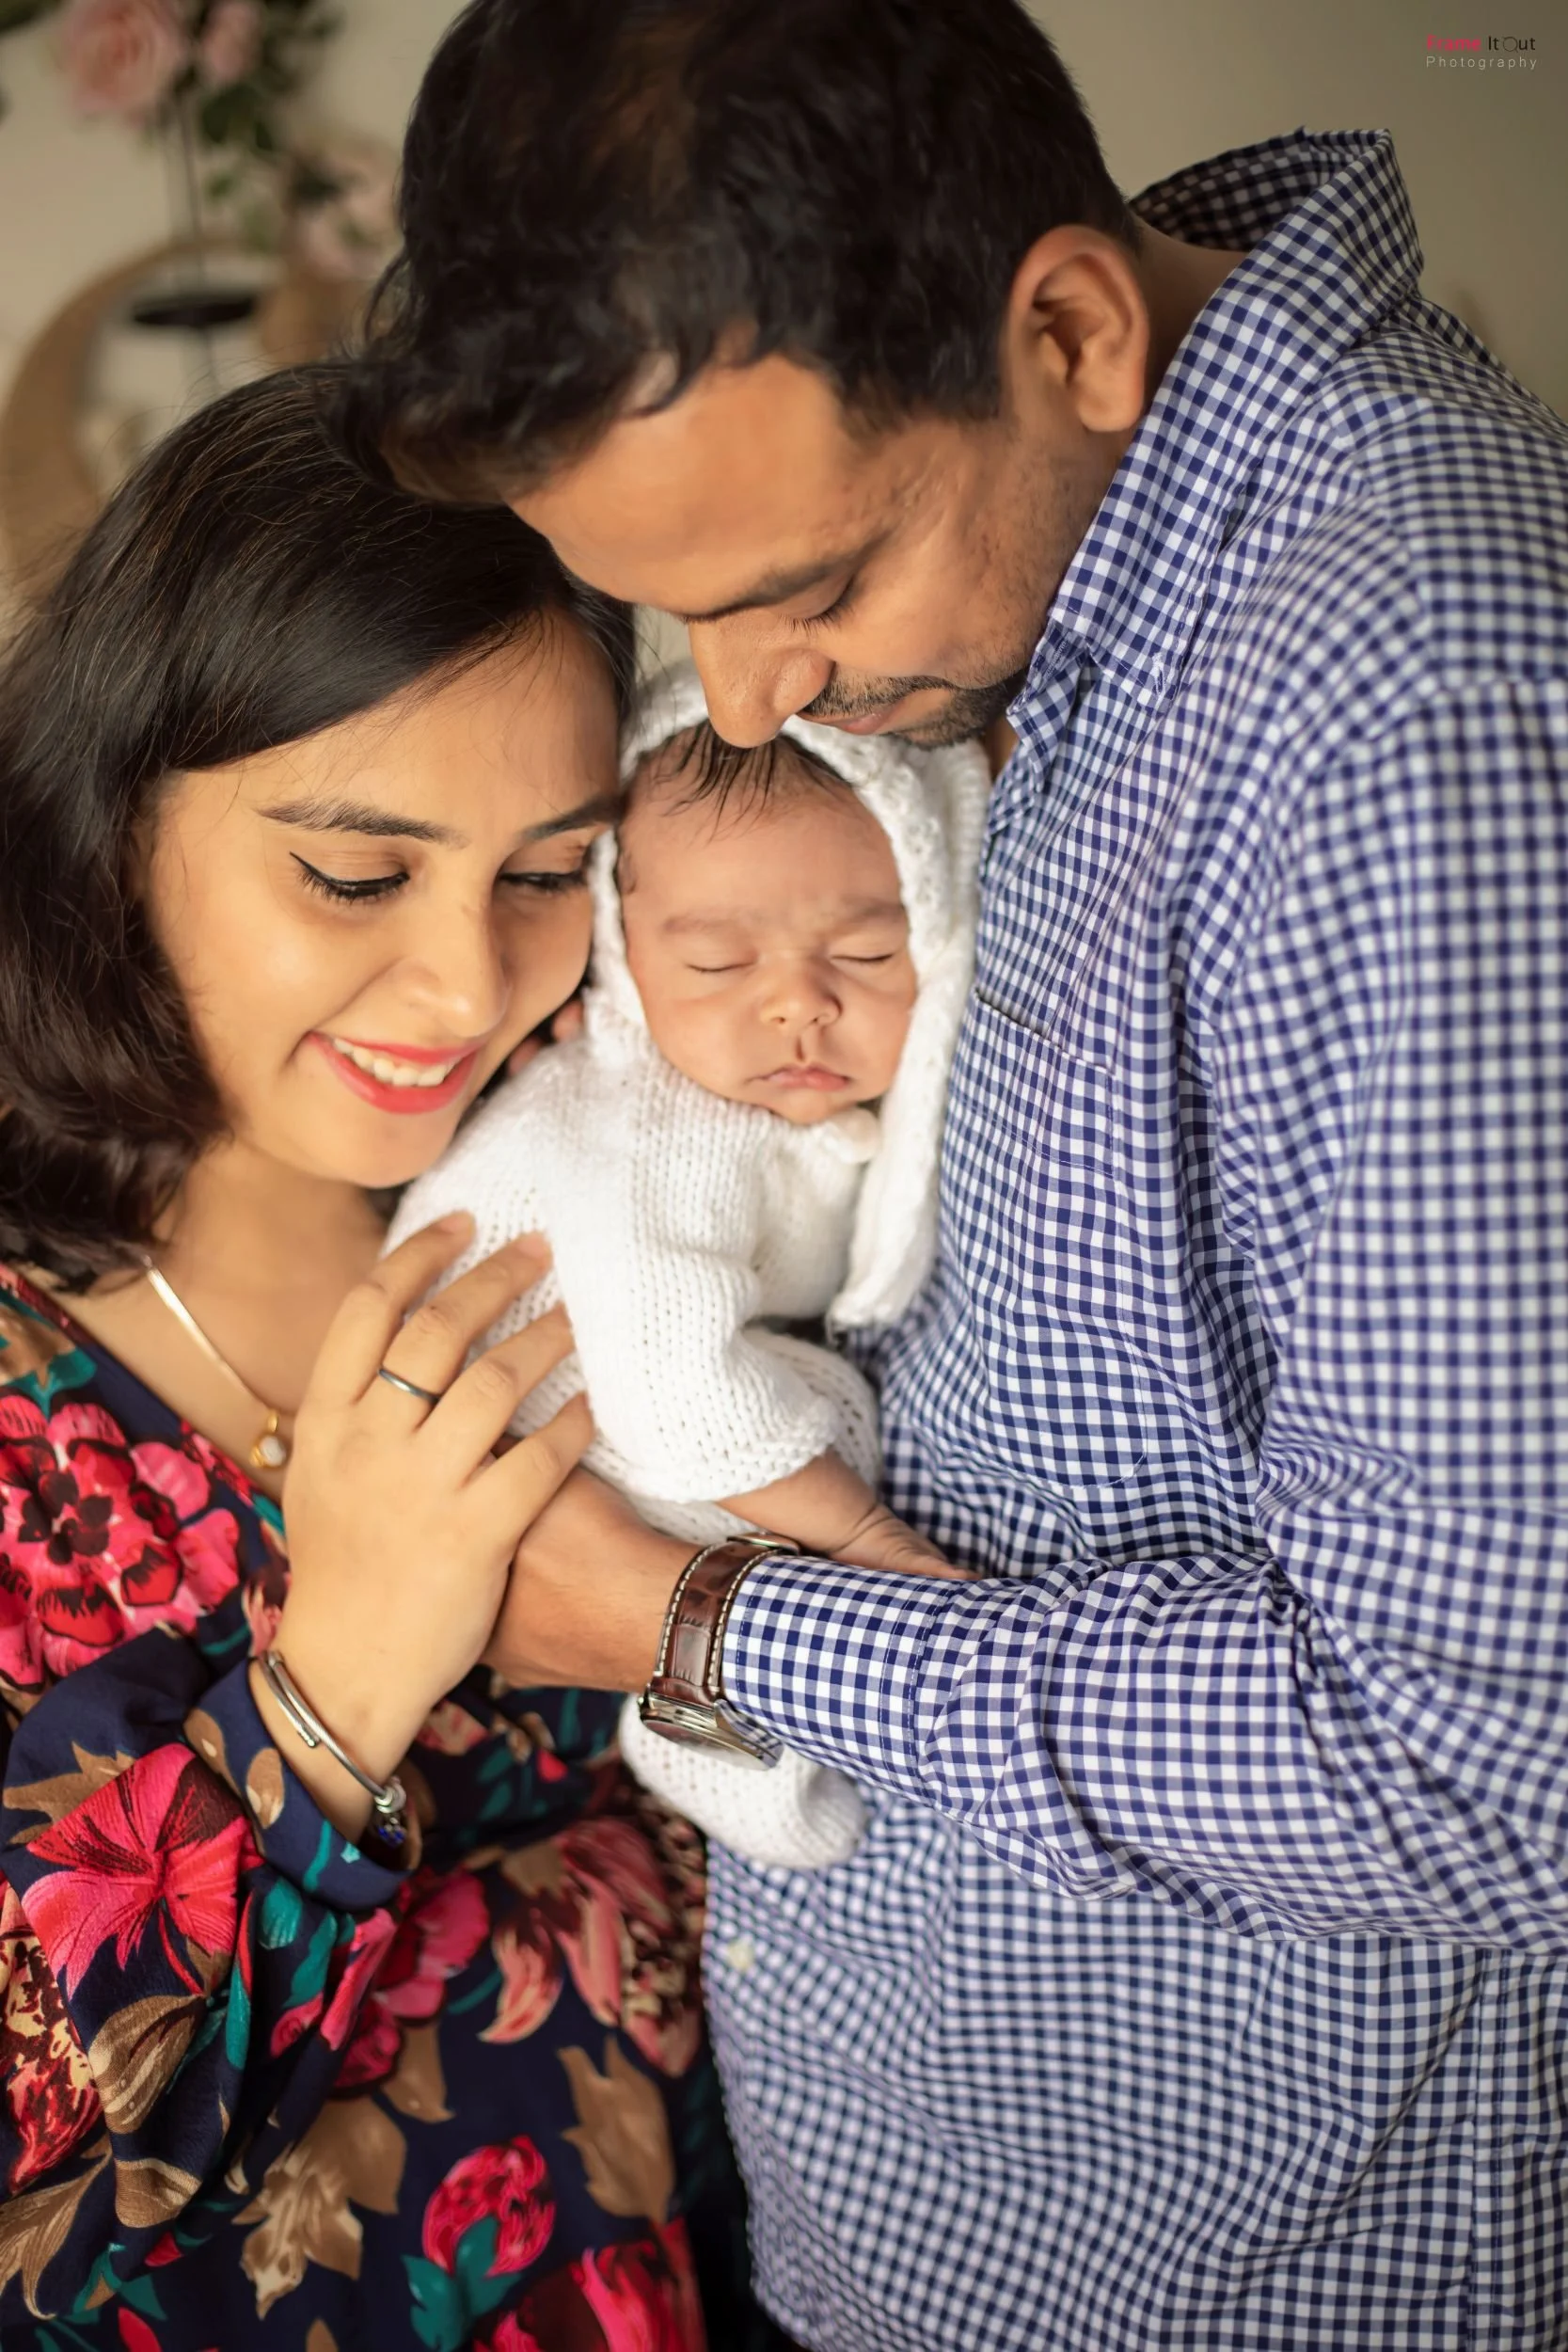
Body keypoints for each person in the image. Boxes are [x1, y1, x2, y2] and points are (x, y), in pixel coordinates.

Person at [341, 0, 1568, 2345]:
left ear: (1073, 331)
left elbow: (1491, 1763)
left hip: (1240, 2280)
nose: (748, 695)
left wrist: (699, 1620)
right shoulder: (1093, 588)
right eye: (680, 612)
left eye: (800, 585)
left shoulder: (1414, 712)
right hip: (944, 2203)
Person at [0, 367, 755, 2350]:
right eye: (354, 873)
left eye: (545, 873)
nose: (464, 982)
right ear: (112, 819)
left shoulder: (610, 1205)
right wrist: (327, 1690)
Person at [390, 661, 988, 1867]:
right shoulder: (661, 1121)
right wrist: (867, 1539)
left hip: (599, 1421)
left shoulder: (764, 1092)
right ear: (623, 953)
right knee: (815, 1423)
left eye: (868, 951)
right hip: (546, 1425)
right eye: (718, 962)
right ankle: (716, 1745)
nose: (798, 1007)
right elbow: (675, 1391)